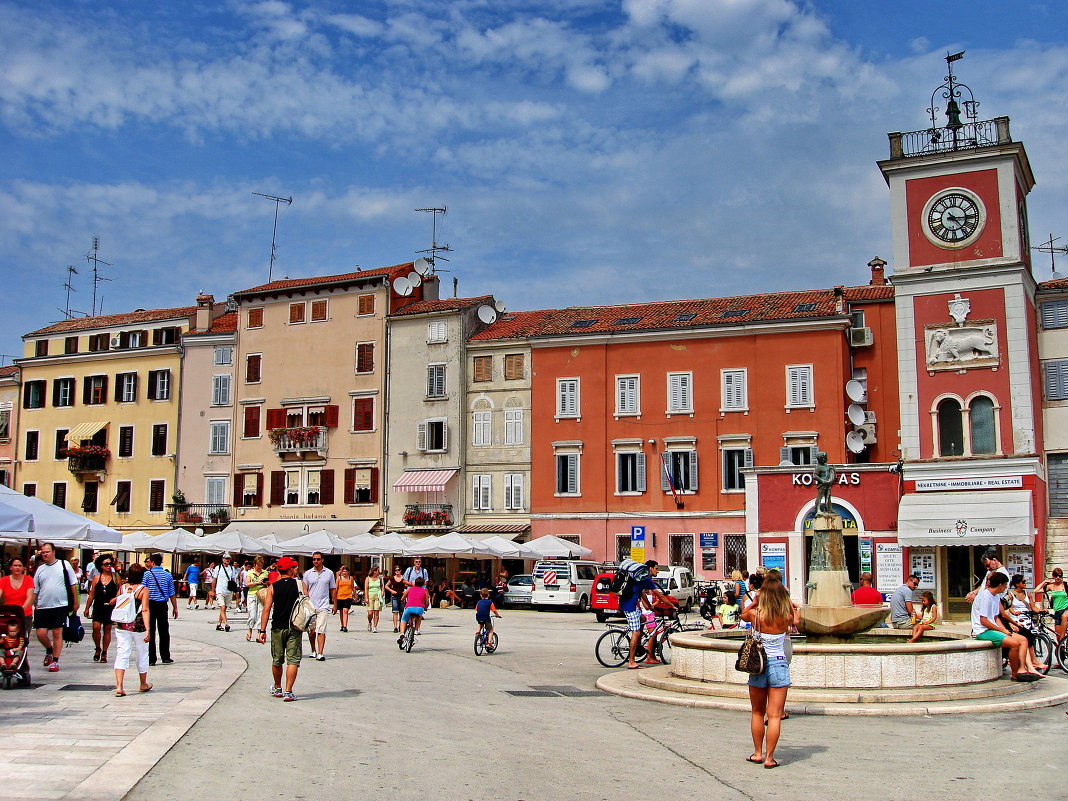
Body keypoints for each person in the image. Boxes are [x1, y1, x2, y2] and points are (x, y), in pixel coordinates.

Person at [741, 574, 800, 769]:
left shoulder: (755, 615)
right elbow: (796, 619)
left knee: (757, 713)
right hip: (779, 663)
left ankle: (758, 753)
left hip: (759, 664)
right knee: (774, 716)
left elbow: (743, 614)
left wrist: (755, 601)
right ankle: (770, 758)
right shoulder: (786, 616)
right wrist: (789, 602)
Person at [971, 571, 1038, 682]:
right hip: (982, 631)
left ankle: (1022, 668)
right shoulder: (985, 597)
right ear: (1000, 585)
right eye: (1005, 584)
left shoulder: (996, 596)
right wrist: (1001, 630)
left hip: (993, 628)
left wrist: (1004, 629)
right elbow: (983, 621)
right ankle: (1015, 674)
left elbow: (996, 617)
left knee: (1023, 640)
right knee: (1014, 644)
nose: (1006, 587)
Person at [258, 556, 305, 701]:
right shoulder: (300, 585)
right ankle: (288, 691)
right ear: (291, 569)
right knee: (293, 660)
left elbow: (266, 610)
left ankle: (278, 688)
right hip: (295, 626)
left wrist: (262, 631)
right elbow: (306, 605)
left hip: (277, 627)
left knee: (277, 660)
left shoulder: (273, 587)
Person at [32, 543, 78, 673]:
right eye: (43, 552)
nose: (45, 554)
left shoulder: (64, 565)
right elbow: (35, 589)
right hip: (43, 606)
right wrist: (32, 603)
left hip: (60, 605)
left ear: (53, 552)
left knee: (57, 633)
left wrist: (75, 602)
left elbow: (73, 584)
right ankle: (49, 649)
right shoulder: (40, 568)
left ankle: (55, 660)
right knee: (41, 633)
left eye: (47, 552)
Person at [622, 560, 675, 669]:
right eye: (656, 568)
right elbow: (660, 596)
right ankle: (631, 662)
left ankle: (638, 644)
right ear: (650, 568)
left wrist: (649, 606)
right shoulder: (646, 579)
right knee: (636, 633)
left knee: (642, 618)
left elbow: (641, 594)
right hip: (630, 606)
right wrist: (672, 606)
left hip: (628, 605)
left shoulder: (641, 578)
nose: (658, 571)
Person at [113, 563, 153, 697]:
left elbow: (117, 602)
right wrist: (148, 629)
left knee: (122, 652)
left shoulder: (122, 588)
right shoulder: (143, 590)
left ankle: (119, 686)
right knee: (142, 652)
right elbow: (145, 609)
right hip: (138, 625)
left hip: (122, 625)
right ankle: (143, 683)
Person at [1005, 574, 1044, 674]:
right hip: (1017, 620)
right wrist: (1013, 612)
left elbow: (1033, 607)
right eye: (1023, 582)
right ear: (1017, 584)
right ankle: (1031, 662)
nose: (1025, 584)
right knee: (1026, 637)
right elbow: (1008, 607)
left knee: (1031, 637)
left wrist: (1041, 611)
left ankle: (1031, 662)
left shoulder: (1028, 594)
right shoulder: (1011, 595)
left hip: (1028, 618)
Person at [143, 553, 178, 665]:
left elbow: (142, 590)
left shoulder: (147, 575)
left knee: (150, 630)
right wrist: (175, 607)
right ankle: (165, 656)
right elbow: (172, 593)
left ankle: (151, 658)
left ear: (152, 562)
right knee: (164, 631)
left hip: (150, 604)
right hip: (162, 604)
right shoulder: (168, 575)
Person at [84, 554, 119, 662]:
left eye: (110, 563)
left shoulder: (116, 577)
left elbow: (120, 592)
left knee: (107, 629)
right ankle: (98, 647)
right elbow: (92, 594)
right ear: (101, 566)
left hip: (110, 607)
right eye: (106, 564)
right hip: (98, 605)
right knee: (96, 627)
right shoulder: (96, 578)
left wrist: (116, 599)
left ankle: (104, 651)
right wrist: (87, 608)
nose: (109, 566)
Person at [303, 552, 336, 661]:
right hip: (311, 606)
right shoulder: (307, 574)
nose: (315, 561)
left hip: (323, 605)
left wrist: (335, 604)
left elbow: (333, 589)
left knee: (321, 629)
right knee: (311, 631)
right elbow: (304, 589)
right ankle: (313, 650)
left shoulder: (329, 573)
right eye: (314, 559)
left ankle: (320, 653)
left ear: (322, 560)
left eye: (317, 559)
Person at [1035, 568, 1067, 641]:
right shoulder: (1051, 586)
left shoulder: (1065, 585)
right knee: (1058, 637)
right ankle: (1061, 648)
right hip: (1057, 611)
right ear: (1053, 576)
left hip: (1066, 609)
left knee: (1065, 617)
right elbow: (1036, 590)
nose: (1058, 578)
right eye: (1056, 576)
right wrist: (1045, 581)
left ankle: (1063, 639)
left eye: (1060, 576)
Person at [244, 557, 269, 642]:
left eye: (261, 565)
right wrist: (257, 582)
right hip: (252, 595)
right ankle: (250, 629)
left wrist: (265, 582)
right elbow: (247, 584)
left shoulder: (265, 572)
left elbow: (268, 583)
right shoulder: (250, 572)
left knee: (261, 614)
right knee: (252, 614)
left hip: (262, 594)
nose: (260, 567)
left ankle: (259, 633)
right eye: (258, 565)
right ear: (255, 565)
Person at [398, 576, 430, 643]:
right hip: (419, 608)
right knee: (419, 616)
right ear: (423, 584)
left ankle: (402, 634)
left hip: (409, 607)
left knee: (403, 620)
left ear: (415, 583)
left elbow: (403, 597)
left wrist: (402, 600)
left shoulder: (410, 589)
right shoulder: (424, 591)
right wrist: (425, 608)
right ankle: (416, 630)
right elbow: (427, 602)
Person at [211, 554, 238, 631]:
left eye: (229, 559)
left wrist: (235, 590)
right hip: (220, 591)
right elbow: (214, 579)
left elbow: (233, 580)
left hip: (228, 591)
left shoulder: (232, 568)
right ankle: (226, 624)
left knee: (224, 609)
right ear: (222, 559)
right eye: (226, 559)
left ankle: (218, 624)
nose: (227, 560)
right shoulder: (218, 568)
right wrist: (213, 591)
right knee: (222, 607)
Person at [333, 565, 355, 632]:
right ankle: (342, 625)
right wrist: (334, 597)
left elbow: (352, 587)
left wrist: (355, 595)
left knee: (345, 610)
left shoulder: (350, 578)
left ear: (348, 572)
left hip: (348, 596)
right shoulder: (339, 578)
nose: (345, 573)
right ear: (341, 572)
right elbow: (336, 588)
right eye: (343, 571)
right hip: (340, 596)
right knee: (341, 611)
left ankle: (345, 626)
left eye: (346, 571)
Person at [363, 565, 384, 633]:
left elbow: (381, 586)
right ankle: (369, 622)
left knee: (376, 612)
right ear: (374, 571)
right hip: (370, 596)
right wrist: (366, 597)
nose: (379, 572)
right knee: (370, 613)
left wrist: (382, 591)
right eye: (378, 570)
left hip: (377, 596)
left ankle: (375, 626)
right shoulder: (368, 578)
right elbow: (366, 588)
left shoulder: (379, 579)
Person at [386, 566, 406, 632]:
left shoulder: (403, 578)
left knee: (401, 612)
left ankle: (401, 625)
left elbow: (408, 584)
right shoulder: (392, 578)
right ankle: (395, 627)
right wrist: (391, 591)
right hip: (394, 596)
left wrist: (405, 591)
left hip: (402, 596)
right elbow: (386, 586)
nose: (397, 571)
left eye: (398, 570)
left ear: (401, 571)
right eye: (396, 570)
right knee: (395, 612)